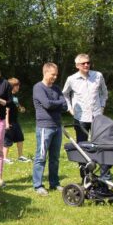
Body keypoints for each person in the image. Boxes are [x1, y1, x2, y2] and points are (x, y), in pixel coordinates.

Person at [62, 53, 110, 179]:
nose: (86, 65)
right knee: (82, 147)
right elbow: (65, 94)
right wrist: (69, 108)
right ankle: (85, 176)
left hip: (97, 117)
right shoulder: (71, 79)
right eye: (83, 63)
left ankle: (104, 175)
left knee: (101, 145)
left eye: (88, 62)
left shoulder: (98, 75)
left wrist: (102, 106)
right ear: (77, 65)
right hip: (80, 118)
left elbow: (104, 92)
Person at [32, 62, 68, 196]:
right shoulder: (38, 88)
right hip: (44, 127)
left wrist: (56, 104)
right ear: (45, 72)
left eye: (56, 75)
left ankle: (54, 183)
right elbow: (47, 104)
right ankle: (38, 185)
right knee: (41, 157)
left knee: (55, 158)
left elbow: (65, 106)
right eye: (53, 74)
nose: (55, 77)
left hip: (57, 126)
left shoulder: (57, 88)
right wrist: (59, 103)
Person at [3, 78, 30, 164]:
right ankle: (4, 158)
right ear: (11, 87)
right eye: (16, 85)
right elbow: (6, 110)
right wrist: (6, 123)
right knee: (7, 140)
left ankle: (20, 156)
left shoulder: (15, 97)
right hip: (9, 122)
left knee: (20, 138)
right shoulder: (7, 96)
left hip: (15, 121)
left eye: (18, 85)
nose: (18, 87)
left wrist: (21, 108)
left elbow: (17, 106)